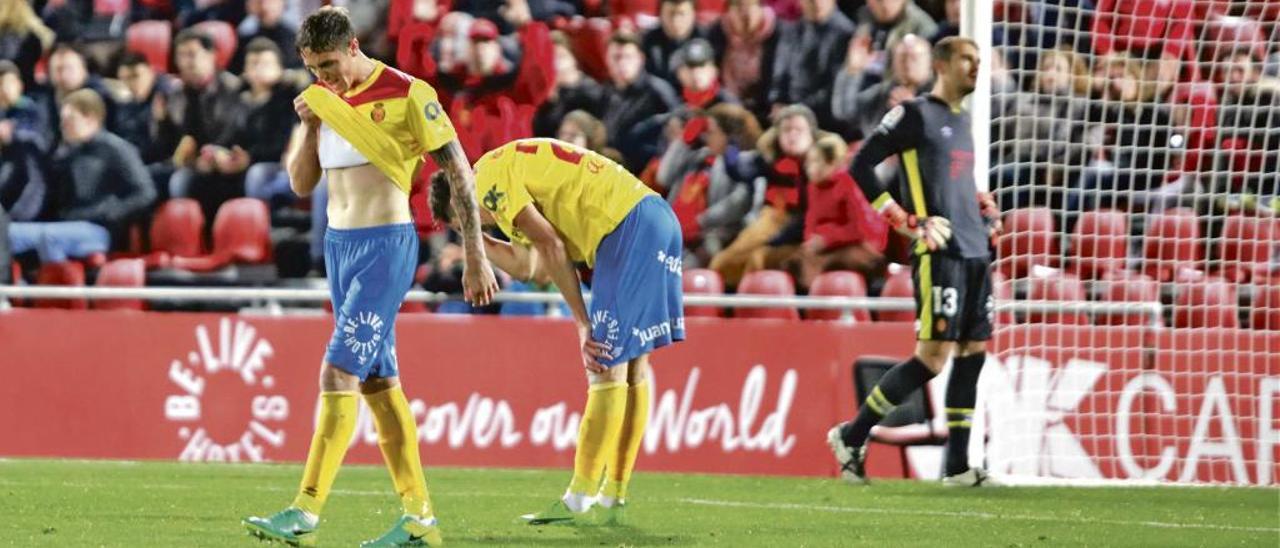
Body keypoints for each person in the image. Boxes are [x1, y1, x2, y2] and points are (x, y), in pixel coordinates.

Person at [241, 7, 498, 548]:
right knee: (381, 386)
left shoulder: (408, 93)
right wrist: (311, 128)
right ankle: (421, 523)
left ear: (354, 46)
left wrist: (474, 252)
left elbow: (458, 169)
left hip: (385, 246)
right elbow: (301, 183)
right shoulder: (321, 102)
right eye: (313, 69)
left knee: (338, 372)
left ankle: (305, 512)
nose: (323, 78)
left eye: (330, 65)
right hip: (339, 248)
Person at [428, 137, 685, 525]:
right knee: (632, 369)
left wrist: (582, 322)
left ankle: (579, 498)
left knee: (603, 363)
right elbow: (534, 269)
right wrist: (475, 242)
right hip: (653, 219)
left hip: (626, 228)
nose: (477, 222)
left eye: (467, 218)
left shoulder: (489, 182)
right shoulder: (503, 177)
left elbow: (550, 245)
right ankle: (613, 497)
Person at [826, 37, 1002, 486]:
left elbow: (954, 178)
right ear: (941, 65)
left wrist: (979, 204)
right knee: (932, 358)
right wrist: (903, 220)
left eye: (979, 61)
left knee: (973, 354)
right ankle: (852, 434)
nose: (976, 68)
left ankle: (958, 467)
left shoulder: (963, 122)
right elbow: (861, 165)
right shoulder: (913, 115)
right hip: (939, 251)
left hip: (976, 249)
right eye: (968, 59)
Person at [8, 89, 156, 262]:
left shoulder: (117, 150)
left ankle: (56, 287)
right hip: (68, 224)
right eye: (62, 121)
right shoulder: (67, 153)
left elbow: (146, 193)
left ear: (90, 119)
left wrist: (108, 211)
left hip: (100, 230)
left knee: (48, 238)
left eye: (69, 120)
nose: (63, 127)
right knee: (9, 233)